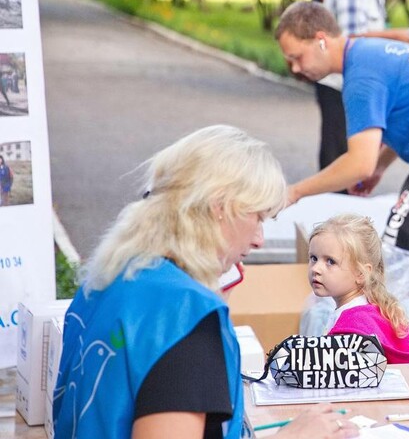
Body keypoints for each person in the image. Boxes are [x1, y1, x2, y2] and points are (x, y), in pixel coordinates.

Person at [53, 125, 358, 439]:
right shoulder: (185, 318)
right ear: (221, 207)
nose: (259, 240)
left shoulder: (110, 277)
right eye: (258, 218)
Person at [275, 1, 409, 319]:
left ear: (321, 39)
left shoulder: (361, 79)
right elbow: (408, 110)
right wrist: (380, 164)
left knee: (400, 248)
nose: (296, 68)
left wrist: (295, 192)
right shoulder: (366, 53)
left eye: (297, 57)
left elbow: (357, 163)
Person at [317, 0, 409, 170]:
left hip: (354, 82)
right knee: (339, 154)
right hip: (340, 84)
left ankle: (345, 201)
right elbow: (352, 41)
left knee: (352, 152)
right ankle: (331, 203)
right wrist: (398, 37)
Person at [308, 213, 409, 364]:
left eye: (330, 261)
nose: (316, 268)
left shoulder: (350, 332)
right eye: (313, 258)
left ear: (361, 273)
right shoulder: (376, 311)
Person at [311, 0, 355, 172]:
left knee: (348, 134)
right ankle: (329, 187)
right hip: (330, 76)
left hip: (346, 77)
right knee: (333, 133)